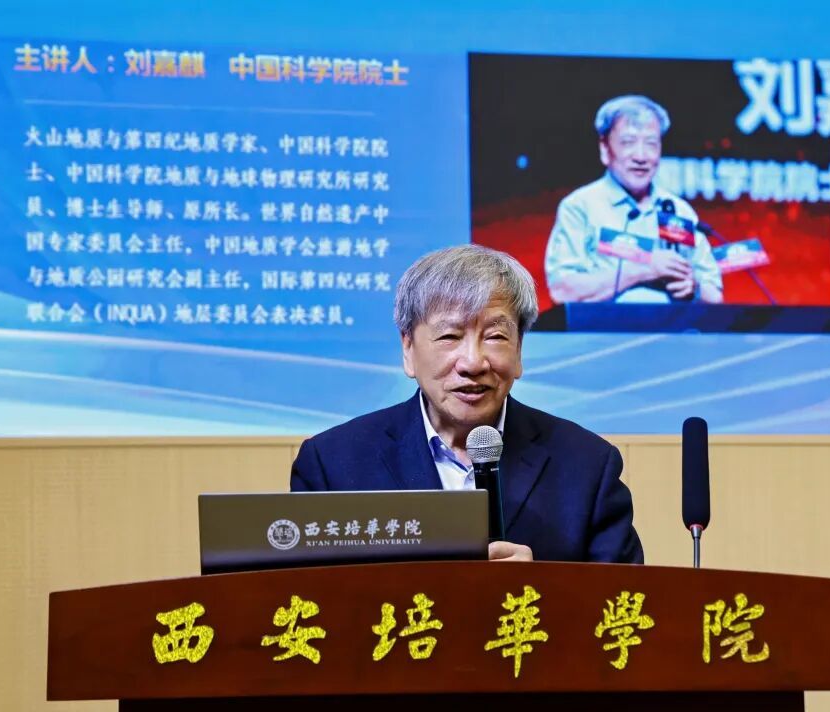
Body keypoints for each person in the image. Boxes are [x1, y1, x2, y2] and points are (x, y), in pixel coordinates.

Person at [290, 245, 644, 564]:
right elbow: (303, 601)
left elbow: (626, 604)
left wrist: (542, 589)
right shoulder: (332, 464)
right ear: (408, 349)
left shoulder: (587, 465)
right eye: (450, 336)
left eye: (495, 336)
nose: (473, 362)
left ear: (519, 350)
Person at [545, 94, 723, 304]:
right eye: (628, 142)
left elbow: (715, 296)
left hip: (673, 325)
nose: (641, 156)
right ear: (604, 149)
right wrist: (644, 269)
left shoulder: (678, 210)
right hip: (606, 325)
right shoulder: (580, 207)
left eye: (651, 143)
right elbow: (562, 291)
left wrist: (695, 288)